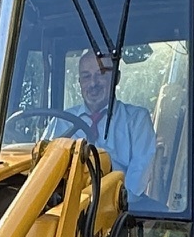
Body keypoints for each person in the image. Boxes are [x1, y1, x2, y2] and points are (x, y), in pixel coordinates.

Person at [68, 52, 158, 211]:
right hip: (70, 208)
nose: (93, 83)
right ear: (80, 82)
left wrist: (113, 204)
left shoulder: (137, 120)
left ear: (116, 78)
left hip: (120, 212)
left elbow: (138, 175)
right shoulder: (61, 122)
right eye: (86, 76)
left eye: (100, 74)